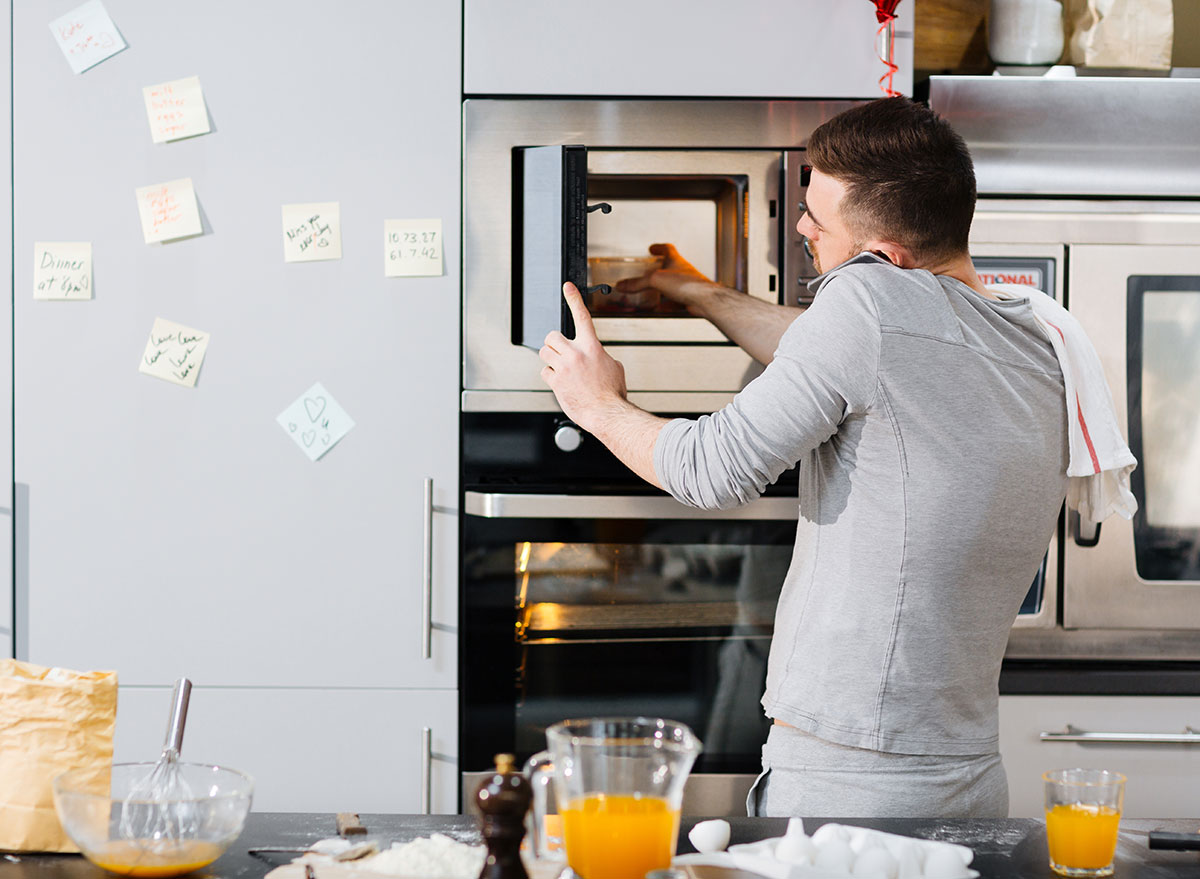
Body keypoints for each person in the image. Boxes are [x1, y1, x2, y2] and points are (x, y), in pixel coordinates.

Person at [537, 97, 1069, 818]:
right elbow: (825, 345)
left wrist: (597, 404)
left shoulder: (870, 306)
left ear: (888, 260)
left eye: (819, 218)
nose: (800, 226)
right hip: (968, 769)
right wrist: (695, 290)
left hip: (852, 779)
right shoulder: (1030, 335)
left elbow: (710, 469)